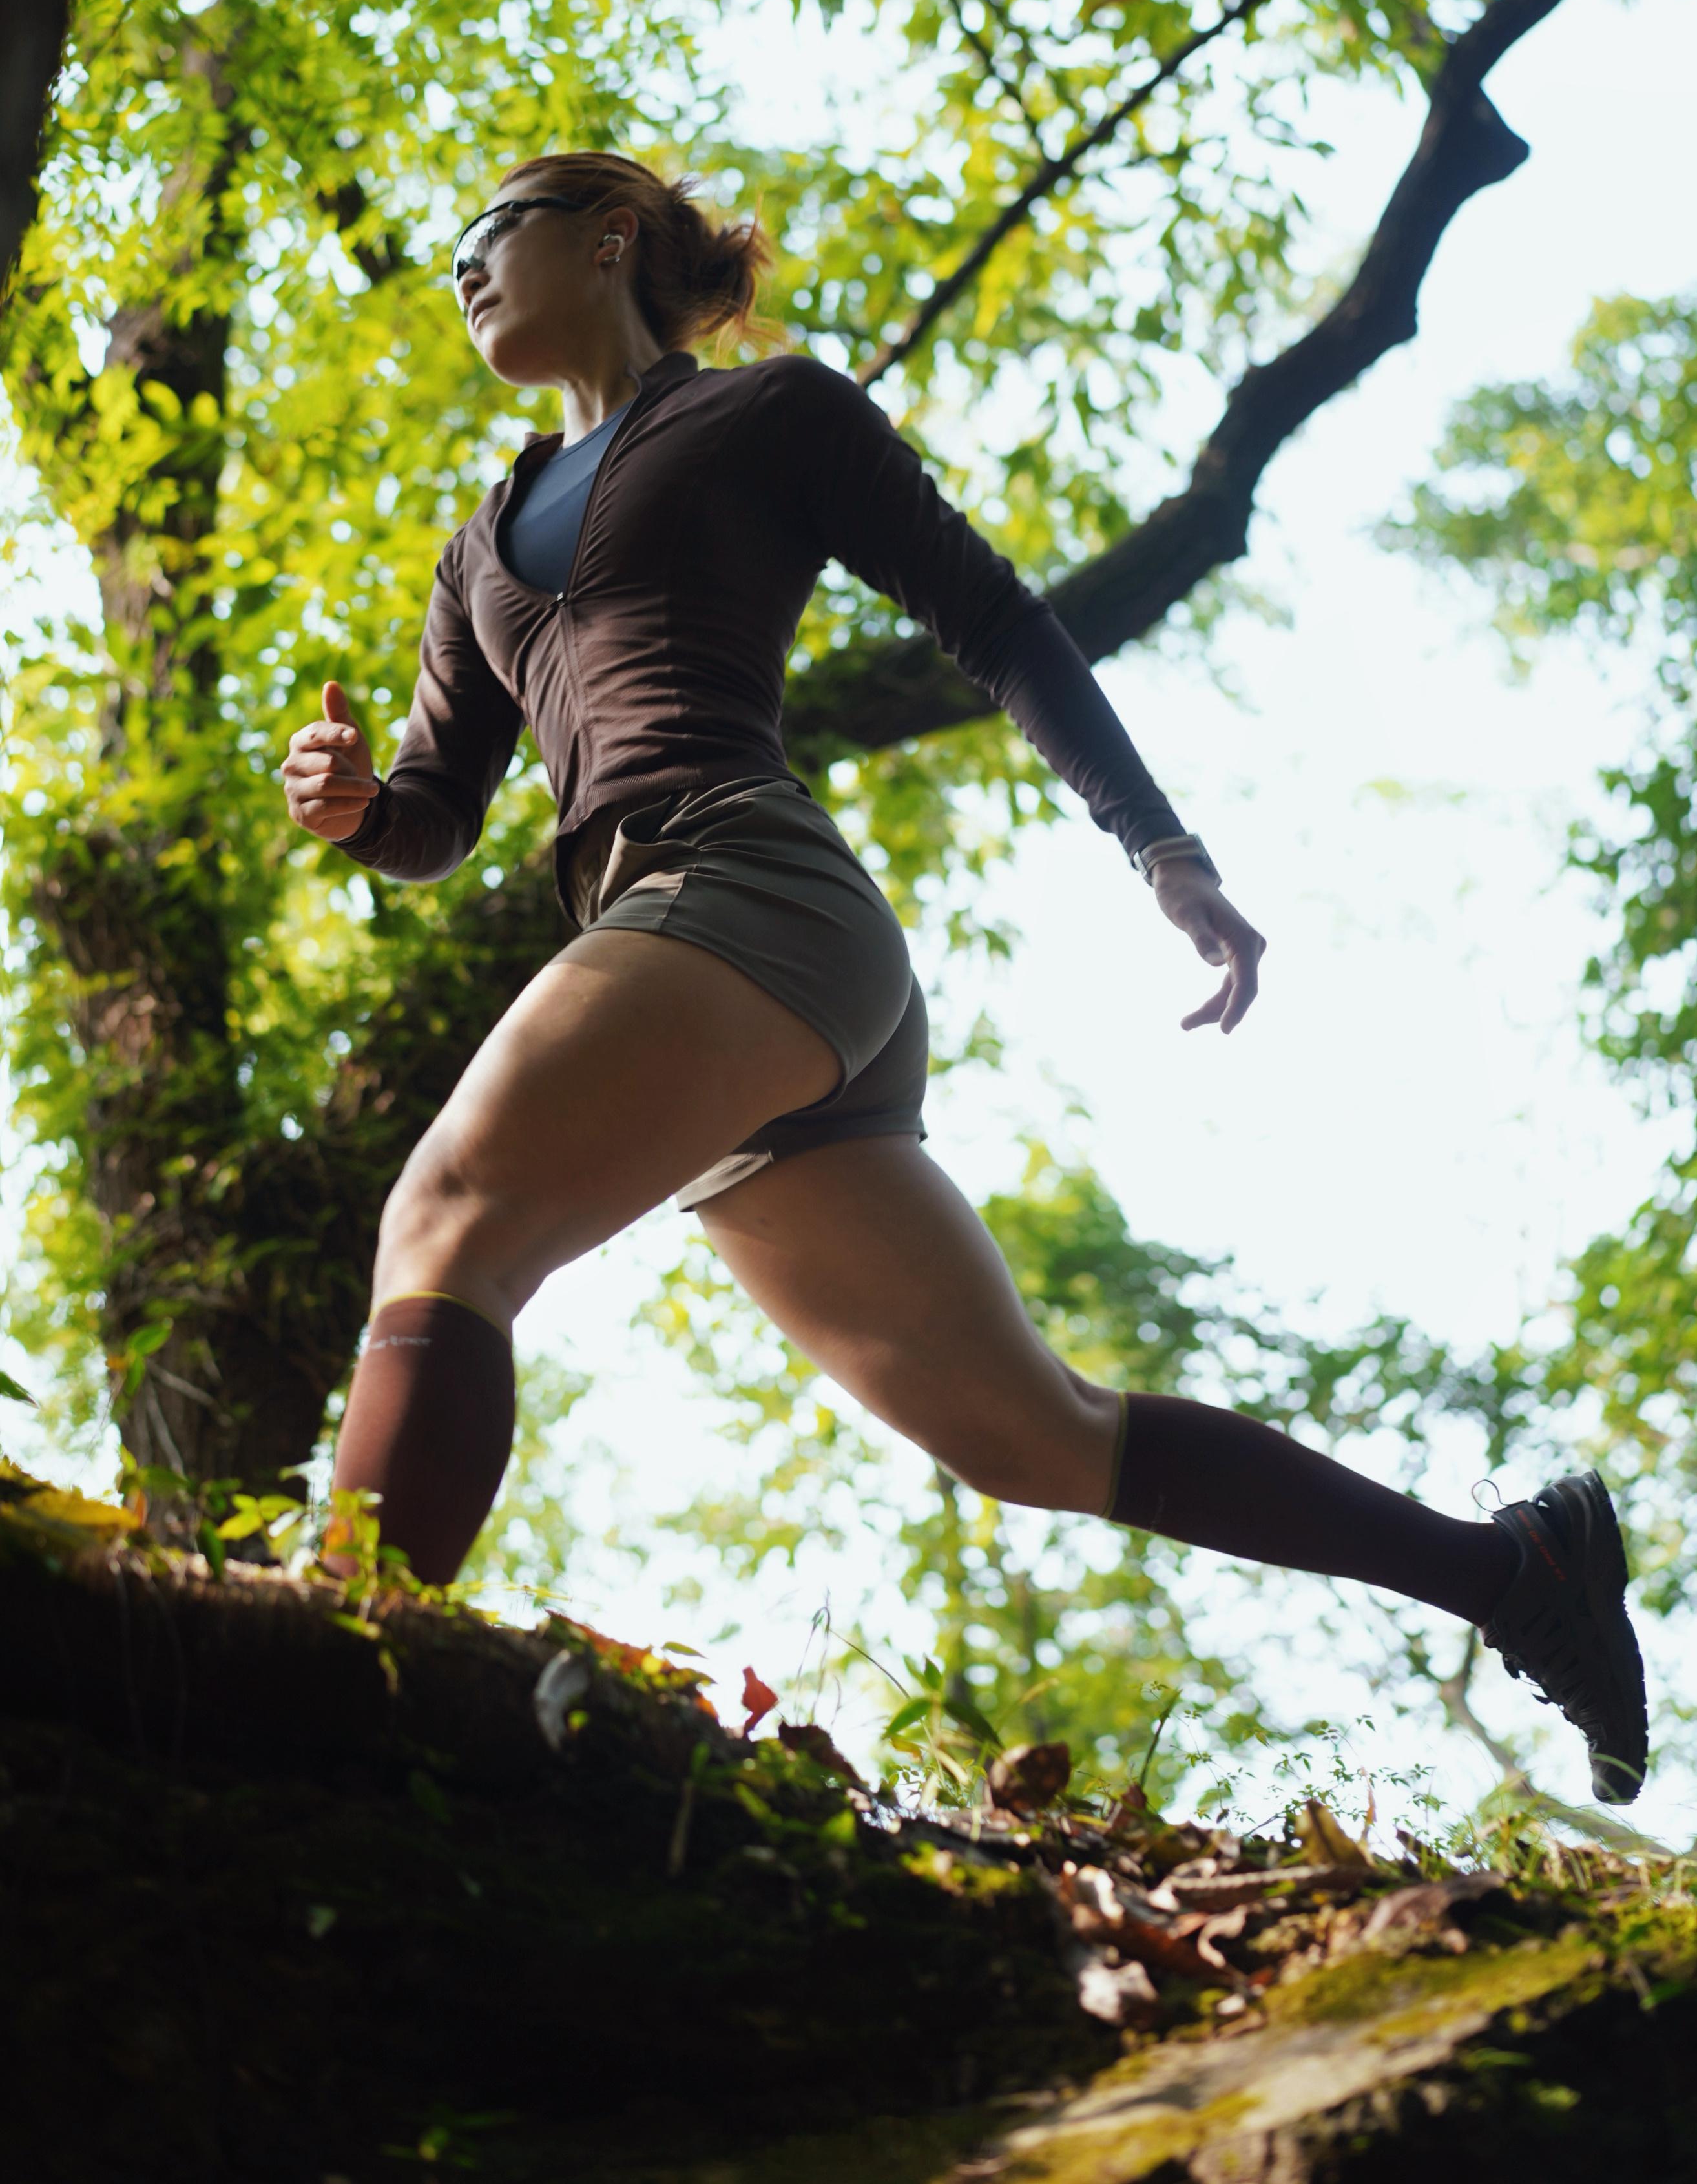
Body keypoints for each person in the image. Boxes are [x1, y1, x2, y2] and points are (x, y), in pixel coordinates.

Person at [280, 151, 1649, 1804]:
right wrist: (362, 811)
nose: (462, 271)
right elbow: (438, 809)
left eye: (485, 234)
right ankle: (1517, 1574)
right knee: (1035, 1439)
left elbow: (993, 618)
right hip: (710, 988)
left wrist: (1165, 854)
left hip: (744, 888)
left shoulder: (767, 417)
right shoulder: (480, 545)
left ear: (608, 236)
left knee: (445, 1226)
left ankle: (323, 1688)